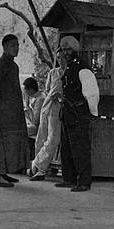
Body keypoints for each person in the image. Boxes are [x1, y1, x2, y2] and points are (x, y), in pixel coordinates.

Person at [54, 36, 99, 192]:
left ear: (75, 50)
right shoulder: (69, 67)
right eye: (63, 49)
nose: (65, 53)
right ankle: (69, 179)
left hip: (79, 115)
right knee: (67, 149)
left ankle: (84, 182)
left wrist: (92, 112)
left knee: (80, 149)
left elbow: (92, 93)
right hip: (67, 114)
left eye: (68, 49)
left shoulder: (82, 68)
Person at [0, 34, 29, 188]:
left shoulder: (13, 66)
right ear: (4, 47)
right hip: (1, 111)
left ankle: (3, 172)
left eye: (17, 45)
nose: (16, 48)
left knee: (10, 143)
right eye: (12, 45)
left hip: (13, 112)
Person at [29, 47, 65, 181]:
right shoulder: (52, 72)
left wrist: (60, 97)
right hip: (47, 106)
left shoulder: (68, 73)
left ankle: (38, 164)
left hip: (58, 108)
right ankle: (38, 168)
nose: (60, 60)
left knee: (53, 139)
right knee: (41, 137)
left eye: (62, 57)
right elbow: (48, 90)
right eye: (58, 57)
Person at [22, 77, 44, 161]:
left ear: (30, 89)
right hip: (37, 126)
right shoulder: (37, 97)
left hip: (39, 128)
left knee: (20, 132)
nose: (25, 93)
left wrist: (27, 110)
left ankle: (26, 158)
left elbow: (36, 120)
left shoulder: (40, 99)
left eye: (26, 90)